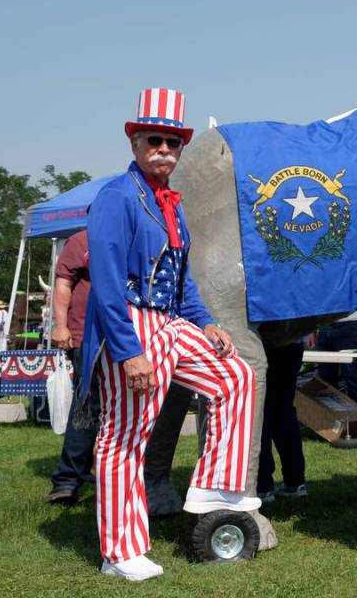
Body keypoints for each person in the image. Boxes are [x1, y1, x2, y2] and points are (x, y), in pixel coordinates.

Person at [82, 87, 258, 582]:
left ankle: (213, 485)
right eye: (153, 140)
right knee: (124, 436)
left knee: (235, 377)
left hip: (170, 323)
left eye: (172, 142)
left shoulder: (171, 205)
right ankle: (120, 551)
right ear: (135, 144)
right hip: (133, 324)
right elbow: (108, 285)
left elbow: (183, 282)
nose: (163, 149)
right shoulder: (117, 196)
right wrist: (127, 351)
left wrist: (206, 323)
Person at [46, 230, 97, 505]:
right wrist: (61, 326)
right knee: (86, 406)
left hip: (124, 337)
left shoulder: (128, 235)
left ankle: (92, 471)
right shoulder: (81, 241)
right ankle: (67, 479)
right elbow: (63, 284)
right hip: (85, 336)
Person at [257, 340, 308, 502]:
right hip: (293, 342)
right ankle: (295, 481)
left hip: (266, 341)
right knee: (284, 411)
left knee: (262, 412)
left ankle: (263, 486)